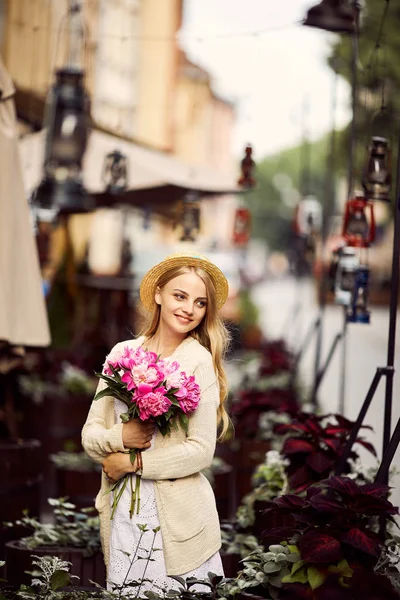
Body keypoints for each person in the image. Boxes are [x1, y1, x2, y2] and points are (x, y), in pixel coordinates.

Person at [81, 251, 231, 593]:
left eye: (200, 303)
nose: (189, 308)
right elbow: (90, 436)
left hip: (181, 520)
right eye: (180, 296)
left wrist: (133, 462)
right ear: (159, 294)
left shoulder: (198, 361)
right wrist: (123, 435)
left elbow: (201, 451)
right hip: (124, 512)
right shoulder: (121, 355)